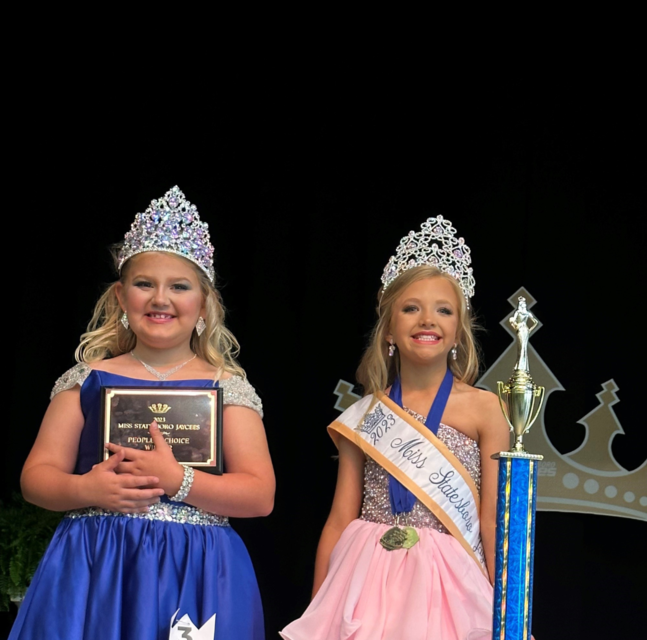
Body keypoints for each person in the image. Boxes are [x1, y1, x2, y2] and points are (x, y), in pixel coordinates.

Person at [11, 186, 275, 640]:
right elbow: (35, 478)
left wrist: (179, 481)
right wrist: (86, 488)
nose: (160, 298)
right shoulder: (86, 379)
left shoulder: (227, 387)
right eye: (144, 283)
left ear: (205, 303)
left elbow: (259, 495)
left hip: (196, 567)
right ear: (120, 296)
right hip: (96, 564)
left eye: (179, 286)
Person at [281, 216, 509, 640]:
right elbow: (338, 519)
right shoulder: (366, 413)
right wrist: (316, 612)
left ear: (459, 331)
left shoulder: (485, 409)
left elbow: (493, 520)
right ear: (389, 328)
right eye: (411, 308)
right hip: (367, 576)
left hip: (449, 584)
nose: (427, 320)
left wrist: (509, 611)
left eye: (443, 310)